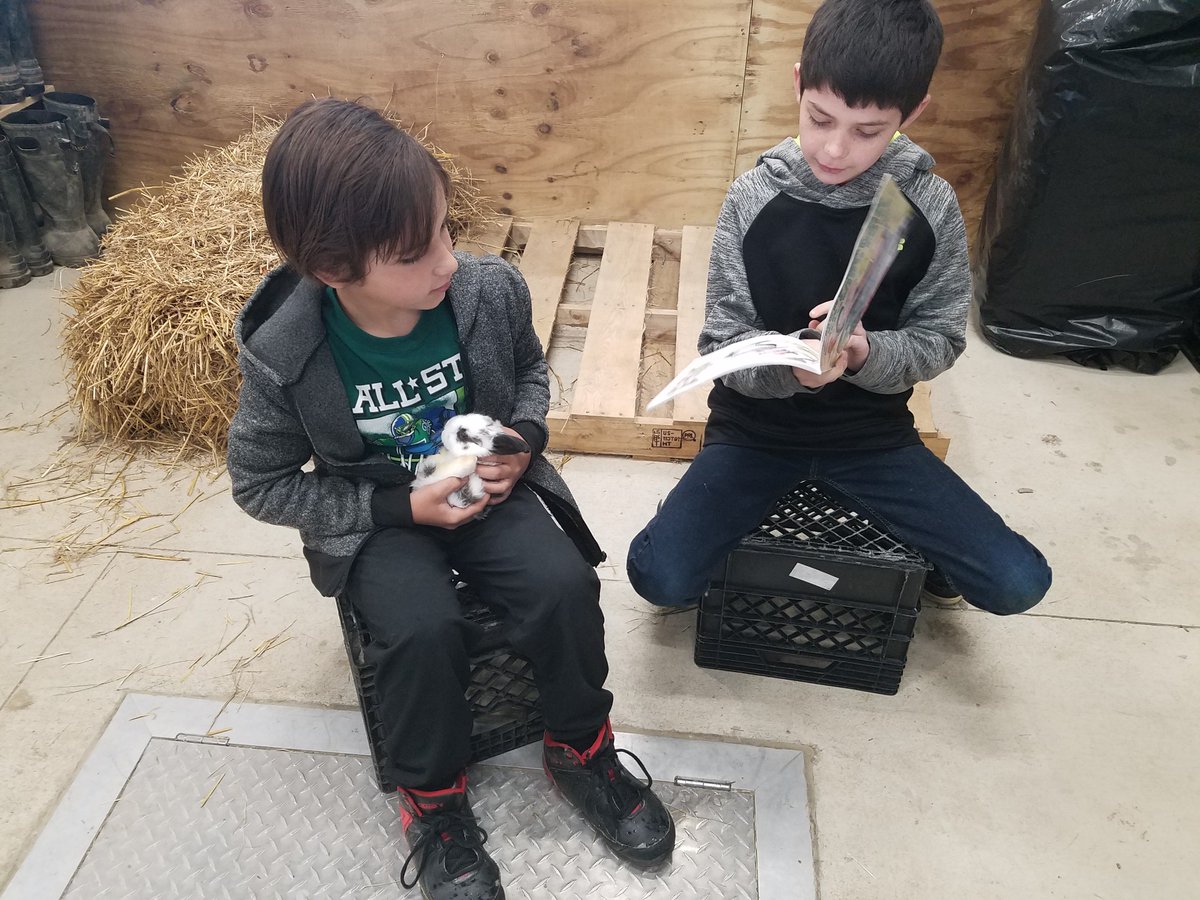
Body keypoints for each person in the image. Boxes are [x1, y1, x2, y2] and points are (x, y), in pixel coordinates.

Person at [228, 98, 674, 900]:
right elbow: (259, 485)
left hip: (485, 493)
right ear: (334, 270)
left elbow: (532, 373)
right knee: (420, 628)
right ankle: (435, 806)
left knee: (565, 586)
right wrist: (399, 512)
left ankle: (581, 748)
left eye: (444, 228)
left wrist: (523, 441)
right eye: (413, 252)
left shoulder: (486, 290)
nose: (445, 262)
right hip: (381, 516)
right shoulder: (286, 354)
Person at [627, 0, 1051, 615]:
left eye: (867, 131)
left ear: (913, 115)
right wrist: (786, 370)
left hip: (871, 436)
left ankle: (915, 540)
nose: (833, 148)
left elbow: (941, 338)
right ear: (798, 84)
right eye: (819, 118)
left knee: (1017, 584)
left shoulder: (926, 205)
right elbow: (720, 344)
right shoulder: (753, 196)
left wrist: (865, 354)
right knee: (661, 581)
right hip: (754, 433)